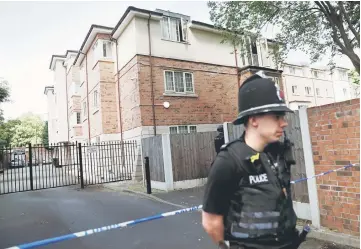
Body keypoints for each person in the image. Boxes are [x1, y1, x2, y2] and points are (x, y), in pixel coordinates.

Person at [202, 71, 302, 249]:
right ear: (254, 119)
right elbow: (211, 222)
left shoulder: (278, 154)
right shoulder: (229, 161)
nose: (284, 123)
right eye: (277, 116)